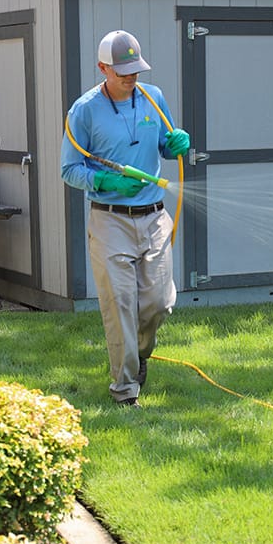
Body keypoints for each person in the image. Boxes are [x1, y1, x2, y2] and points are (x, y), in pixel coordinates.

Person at [61, 30, 189, 408]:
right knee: (120, 304)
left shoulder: (153, 97)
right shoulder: (84, 111)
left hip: (154, 218)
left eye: (135, 70)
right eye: (123, 72)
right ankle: (125, 390)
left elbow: (166, 145)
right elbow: (69, 169)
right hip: (110, 220)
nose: (131, 77)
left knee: (158, 303)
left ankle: (140, 355)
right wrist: (105, 181)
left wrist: (176, 142)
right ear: (103, 68)